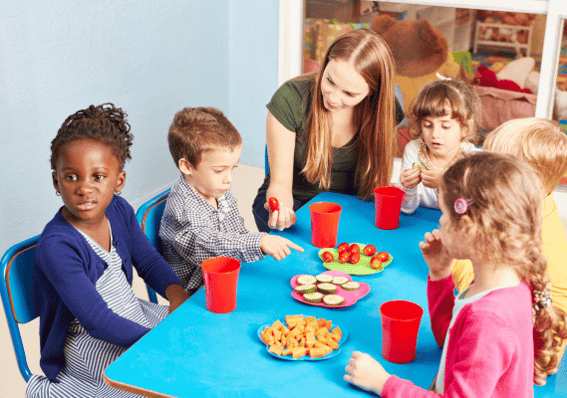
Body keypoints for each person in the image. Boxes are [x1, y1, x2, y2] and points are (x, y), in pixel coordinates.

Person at [344, 152, 567, 397]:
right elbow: (452, 341)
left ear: (466, 229)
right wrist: (440, 274)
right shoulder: (501, 280)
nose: (440, 222)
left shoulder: (489, 319)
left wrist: (384, 383)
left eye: (444, 213)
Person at [28, 103, 189, 397]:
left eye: (98, 176)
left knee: (198, 342)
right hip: (88, 341)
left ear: (119, 181)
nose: (84, 188)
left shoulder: (118, 210)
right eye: (71, 176)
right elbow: (96, 321)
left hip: (130, 315)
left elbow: (149, 261)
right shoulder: (58, 247)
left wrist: (177, 295)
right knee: (153, 384)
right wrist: (157, 343)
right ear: (56, 181)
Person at [252, 28, 404, 232]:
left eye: (349, 93)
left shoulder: (384, 110)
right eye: (330, 80)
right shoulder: (291, 99)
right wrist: (280, 210)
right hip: (297, 200)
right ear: (324, 65)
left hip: (352, 205)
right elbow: (279, 185)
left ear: (372, 93)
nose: (332, 98)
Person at [452, 117, 567, 363]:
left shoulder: (543, 232)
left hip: (518, 341)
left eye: (489, 169)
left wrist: (459, 257)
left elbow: (558, 298)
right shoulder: (511, 203)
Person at [160, 107, 303, 294]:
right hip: (199, 291)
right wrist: (257, 242)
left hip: (232, 274)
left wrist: (260, 244)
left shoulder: (217, 188)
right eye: (219, 170)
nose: (229, 179)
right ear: (187, 166)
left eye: (232, 168)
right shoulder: (183, 209)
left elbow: (237, 232)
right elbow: (207, 244)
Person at [392, 79, 481, 214]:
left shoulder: (472, 159)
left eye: (445, 126)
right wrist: (406, 187)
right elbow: (406, 208)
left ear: (464, 127)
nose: (435, 134)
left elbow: (471, 211)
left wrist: (445, 185)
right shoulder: (414, 150)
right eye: (428, 125)